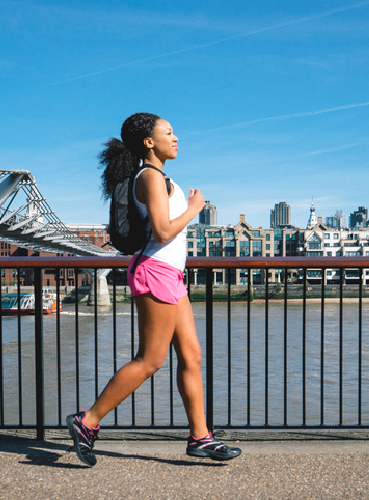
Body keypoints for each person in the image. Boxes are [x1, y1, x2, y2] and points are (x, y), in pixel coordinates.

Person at [66, 112, 241, 467]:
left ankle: (200, 438)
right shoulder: (148, 177)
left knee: (191, 356)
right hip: (156, 272)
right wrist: (194, 209)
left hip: (172, 275)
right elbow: (162, 232)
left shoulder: (161, 178)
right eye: (169, 133)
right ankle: (87, 422)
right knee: (150, 360)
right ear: (149, 142)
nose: (176, 139)